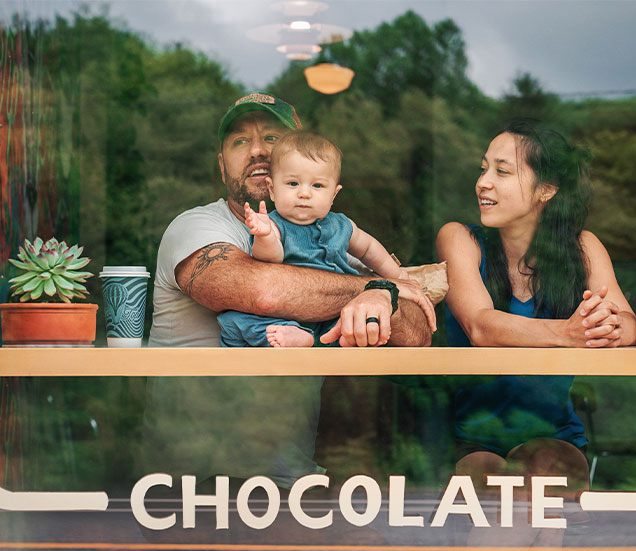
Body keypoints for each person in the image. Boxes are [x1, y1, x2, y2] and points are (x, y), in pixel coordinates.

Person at [140, 94, 435, 494]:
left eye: (274, 137)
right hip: (188, 482)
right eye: (239, 141)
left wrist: (383, 294)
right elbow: (264, 291)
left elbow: (416, 332)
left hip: (287, 479)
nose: (259, 150)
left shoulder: (329, 236)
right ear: (221, 162)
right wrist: (375, 288)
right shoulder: (197, 227)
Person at [435, 119, 636, 545]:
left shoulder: (582, 247)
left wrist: (606, 324)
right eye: (483, 168)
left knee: (545, 466)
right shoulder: (459, 239)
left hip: (557, 439)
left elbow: (628, 324)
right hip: (472, 441)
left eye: (502, 171)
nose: (482, 183)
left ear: (546, 189)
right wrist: (569, 332)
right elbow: (481, 326)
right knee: (508, 497)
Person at [218, 130, 410, 348]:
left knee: (360, 316)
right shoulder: (274, 224)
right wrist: (264, 236)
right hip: (287, 312)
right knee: (234, 320)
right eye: (293, 184)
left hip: (335, 310)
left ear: (333, 195)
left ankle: (343, 337)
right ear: (272, 190)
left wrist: (396, 276)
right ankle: (298, 335)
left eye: (317, 186)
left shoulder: (342, 225)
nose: (304, 193)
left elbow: (368, 249)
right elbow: (270, 257)